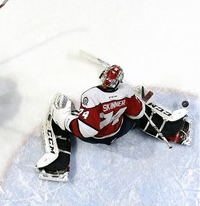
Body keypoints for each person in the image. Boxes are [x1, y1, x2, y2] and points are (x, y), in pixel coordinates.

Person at [36, 64, 192, 181]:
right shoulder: (126, 91)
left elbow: (87, 130)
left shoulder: (91, 96)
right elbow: (137, 113)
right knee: (142, 112)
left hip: (95, 136)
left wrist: (66, 120)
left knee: (56, 115)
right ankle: (173, 131)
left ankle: (59, 162)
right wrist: (135, 98)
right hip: (118, 130)